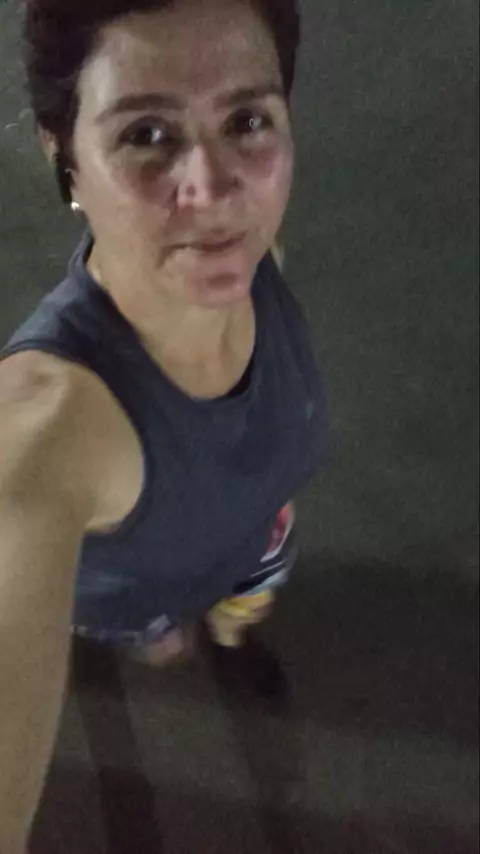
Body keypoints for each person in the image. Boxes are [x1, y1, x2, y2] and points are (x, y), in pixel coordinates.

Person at [0, 0, 327, 849]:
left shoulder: (253, 262)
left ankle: (228, 619)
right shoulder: (45, 424)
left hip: (261, 534)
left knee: (244, 597)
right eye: (146, 135)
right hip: (133, 595)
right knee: (155, 628)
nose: (213, 191)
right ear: (65, 161)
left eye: (247, 121)